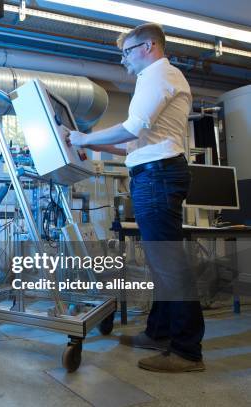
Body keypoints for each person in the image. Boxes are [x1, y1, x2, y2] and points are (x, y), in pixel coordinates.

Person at [66, 23, 205, 373]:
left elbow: (133, 128)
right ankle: (159, 332)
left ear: (149, 46)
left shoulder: (159, 74)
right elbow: (131, 143)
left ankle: (188, 351)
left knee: (169, 264)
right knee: (161, 264)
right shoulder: (155, 79)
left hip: (158, 175)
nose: (123, 60)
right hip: (154, 173)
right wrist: (88, 141)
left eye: (126, 52)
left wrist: (82, 140)